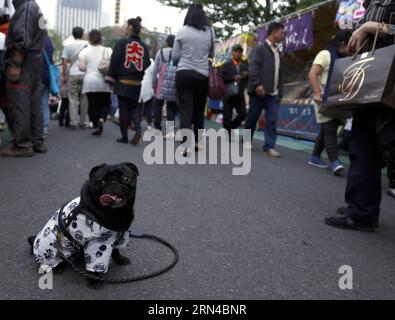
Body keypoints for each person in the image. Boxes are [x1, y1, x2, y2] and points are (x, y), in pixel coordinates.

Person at [325, 0, 395, 231]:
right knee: (363, 145)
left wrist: (371, 27)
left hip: (388, 81)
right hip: (373, 79)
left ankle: (361, 211)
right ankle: (361, 210)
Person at [1, 0, 47, 157]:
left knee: (19, 103)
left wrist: (15, 64)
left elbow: (22, 39)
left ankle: (22, 144)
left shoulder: (26, 8)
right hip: (34, 63)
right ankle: (36, 141)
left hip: (23, 63)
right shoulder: (35, 8)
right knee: (34, 104)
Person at [172, 3, 215, 155]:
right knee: (198, 109)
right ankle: (197, 141)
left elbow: (175, 56)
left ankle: (185, 145)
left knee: (186, 109)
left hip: (184, 73)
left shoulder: (182, 31)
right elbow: (212, 54)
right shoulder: (210, 31)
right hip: (202, 75)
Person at [308, 31, 351, 176]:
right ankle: (335, 162)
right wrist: (316, 93)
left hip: (336, 98)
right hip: (323, 97)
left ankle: (314, 157)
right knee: (330, 128)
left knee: (327, 129)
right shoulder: (326, 54)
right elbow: (313, 74)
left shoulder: (345, 58)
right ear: (343, 43)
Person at [243, 22, 285, 158]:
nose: (283, 35)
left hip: (274, 93)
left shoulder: (278, 52)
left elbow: (279, 72)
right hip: (259, 90)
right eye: (281, 32)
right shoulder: (260, 49)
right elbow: (253, 68)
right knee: (253, 116)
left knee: (272, 119)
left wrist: (280, 90)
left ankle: (269, 146)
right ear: (274, 32)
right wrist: (257, 84)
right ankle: (247, 140)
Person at [107, 17, 151, 145]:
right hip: (136, 82)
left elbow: (115, 61)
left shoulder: (122, 42)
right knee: (135, 109)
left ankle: (125, 136)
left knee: (124, 108)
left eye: (126, 26)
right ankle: (138, 129)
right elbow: (147, 62)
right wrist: (139, 71)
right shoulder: (143, 45)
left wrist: (111, 78)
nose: (125, 28)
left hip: (123, 81)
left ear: (130, 27)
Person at [78, 29, 112, 136]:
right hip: (104, 81)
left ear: (89, 38)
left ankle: (96, 124)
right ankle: (102, 119)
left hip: (90, 81)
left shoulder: (84, 51)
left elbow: (82, 68)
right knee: (106, 103)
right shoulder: (108, 50)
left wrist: (83, 66)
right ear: (100, 38)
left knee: (92, 105)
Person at [61, 26, 88, 130]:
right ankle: (82, 122)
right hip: (85, 74)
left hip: (73, 74)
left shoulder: (68, 45)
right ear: (82, 34)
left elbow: (64, 62)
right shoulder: (87, 44)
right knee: (84, 99)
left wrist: (64, 75)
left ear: (73, 34)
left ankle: (73, 122)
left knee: (73, 99)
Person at [220, 44, 248, 138]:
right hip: (228, 93)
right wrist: (233, 77)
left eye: (240, 52)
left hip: (239, 94)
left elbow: (248, 77)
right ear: (232, 52)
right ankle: (228, 133)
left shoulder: (245, 65)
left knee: (243, 114)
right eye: (236, 51)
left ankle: (231, 128)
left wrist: (246, 75)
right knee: (227, 115)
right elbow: (222, 78)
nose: (238, 53)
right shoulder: (226, 64)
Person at [152, 34, 178, 135]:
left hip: (161, 82)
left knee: (158, 105)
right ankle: (170, 131)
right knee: (171, 106)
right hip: (173, 82)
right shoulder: (178, 53)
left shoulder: (161, 52)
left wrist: (153, 84)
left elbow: (155, 70)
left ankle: (157, 127)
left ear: (166, 42)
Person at [41, 35, 54, 139]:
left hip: (35, 75)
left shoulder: (33, 37)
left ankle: (34, 130)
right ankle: (44, 130)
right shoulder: (48, 40)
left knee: (33, 104)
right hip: (46, 76)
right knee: (44, 103)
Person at [139, 57, 155, 131]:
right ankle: (149, 123)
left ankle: (137, 122)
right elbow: (154, 72)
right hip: (149, 86)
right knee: (149, 105)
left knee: (138, 106)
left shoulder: (138, 60)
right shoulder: (151, 61)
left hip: (139, 84)